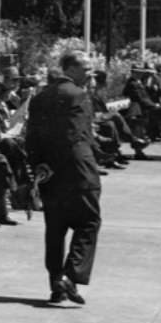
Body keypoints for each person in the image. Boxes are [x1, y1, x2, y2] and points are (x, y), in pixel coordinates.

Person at [26, 50, 102, 305]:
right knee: (89, 222)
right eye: (86, 68)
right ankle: (70, 276)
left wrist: (39, 166)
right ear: (70, 69)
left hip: (49, 172)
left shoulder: (40, 97)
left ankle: (56, 285)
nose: (91, 73)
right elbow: (79, 135)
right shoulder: (78, 95)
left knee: (55, 230)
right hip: (78, 171)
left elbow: (32, 137)